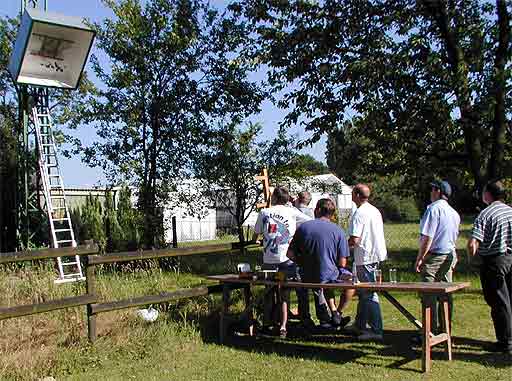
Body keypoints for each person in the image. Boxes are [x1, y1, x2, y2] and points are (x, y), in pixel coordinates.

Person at [253, 186, 312, 338]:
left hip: (269, 259)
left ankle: (267, 323)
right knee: (284, 293)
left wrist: (260, 241)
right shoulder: (291, 212)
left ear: (273, 198)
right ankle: (283, 326)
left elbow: (257, 233)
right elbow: (309, 222)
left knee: (268, 292)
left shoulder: (265, 212)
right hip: (287, 258)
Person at [287, 198, 354, 329]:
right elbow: (342, 262)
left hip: (305, 275)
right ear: (332, 213)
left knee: (320, 283)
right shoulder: (338, 231)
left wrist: (302, 262)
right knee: (351, 282)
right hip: (328, 276)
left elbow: (289, 254)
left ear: (317, 210)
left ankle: (329, 315)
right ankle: (337, 312)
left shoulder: (303, 227)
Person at [467, 180, 512, 355]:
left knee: (498, 302)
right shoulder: (510, 211)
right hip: (510, 258)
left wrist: (472, 261)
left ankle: (505, 342)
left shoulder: (486, 214)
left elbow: (472, 243)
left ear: (488, 194)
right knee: (509, 300)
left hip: (494, 261)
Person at [414, 180, 460, 338]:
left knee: (429, 294)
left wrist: (420, 258)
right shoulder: (454, 213)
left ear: (438, 191)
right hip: (449, 254)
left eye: (432, 189)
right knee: (446, 294)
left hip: (435, 256)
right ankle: (446, 328)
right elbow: (453, 237)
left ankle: (429, 331)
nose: (430, 192)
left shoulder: (433, 209)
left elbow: (428, 237)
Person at [347, 183, 387, 341]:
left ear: (357, 195)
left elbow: (354, 239)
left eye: (352, 193)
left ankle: (376, 330)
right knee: (364, 292)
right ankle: (360, 324)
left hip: (365, 257)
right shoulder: (374, 210)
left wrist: (341, 249)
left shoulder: (359, 213)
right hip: (375, 256)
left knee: (369, 294)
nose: (351, 195)